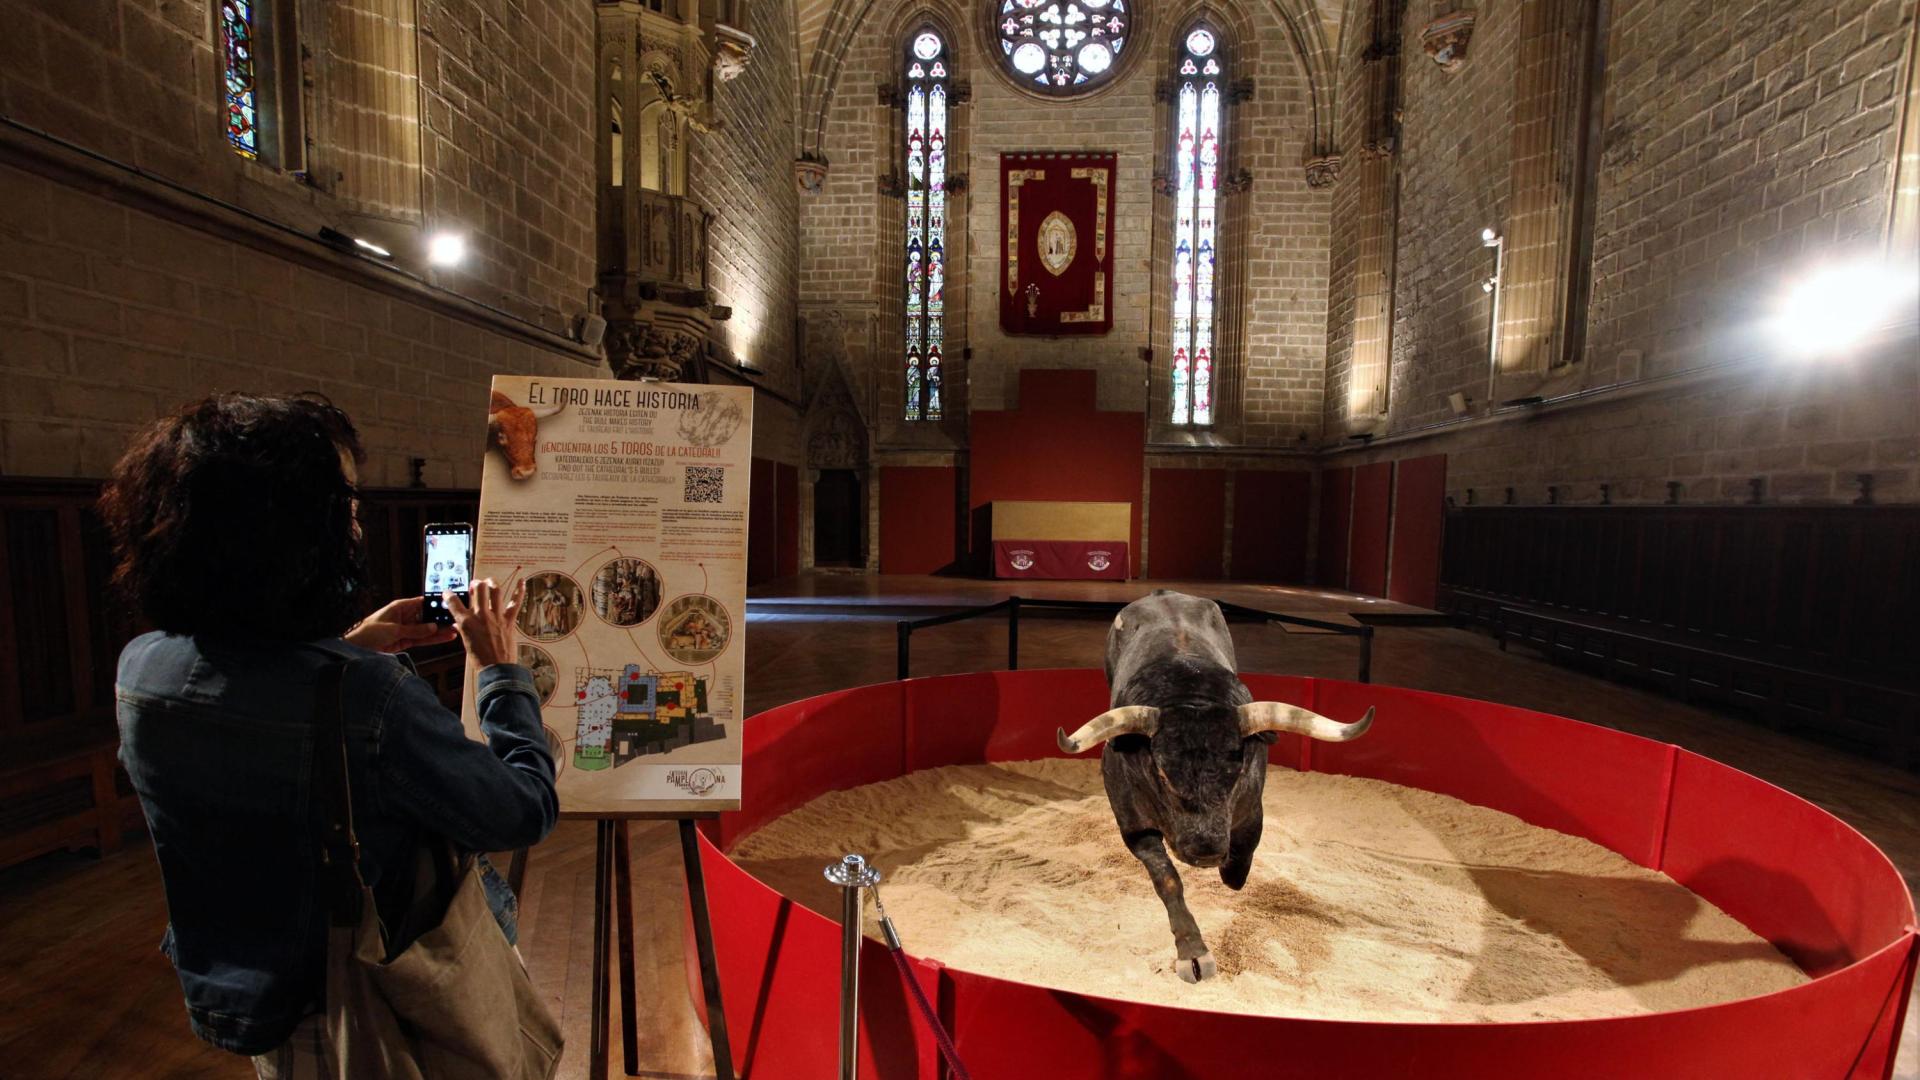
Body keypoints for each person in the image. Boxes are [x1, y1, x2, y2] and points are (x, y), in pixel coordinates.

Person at [103, 393, 558, 1073]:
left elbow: (261, 707)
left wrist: (345, 645)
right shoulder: (370, 700)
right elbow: (522, 808)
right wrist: (498, 671)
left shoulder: (142, 669)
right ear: (294, 540)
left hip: (258, 1002)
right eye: (344, 510)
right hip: (377, 1006)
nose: (355, 528)